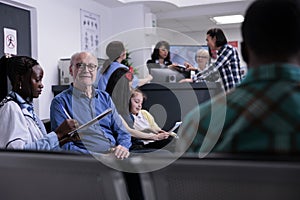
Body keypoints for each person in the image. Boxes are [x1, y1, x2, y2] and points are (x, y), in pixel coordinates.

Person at [176, 0, 300, 155]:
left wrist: (194, 79)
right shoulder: (222, 53)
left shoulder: (197, 125)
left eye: (208, 39)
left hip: (234, 93)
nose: (207, 43)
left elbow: (215, 69)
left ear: (244, 52)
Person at [50, 51, 131, 159]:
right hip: (87, 162)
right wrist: (100, 157)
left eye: (91, 66)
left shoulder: (105, 97)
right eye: (80, 65)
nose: (86, 70)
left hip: (116, 156)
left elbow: (122, 132)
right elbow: (64, 144)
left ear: (96, 71)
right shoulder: (60, 102)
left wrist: (123, 147)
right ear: (71, 70)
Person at [0, 55, 77, 150]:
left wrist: (64, 139)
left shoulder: (27, 109)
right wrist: (57, 134)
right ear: (20, 80)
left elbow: (38, 146)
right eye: (37, 80)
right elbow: (18, 154)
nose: (41, 85)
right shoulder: (11, 108)